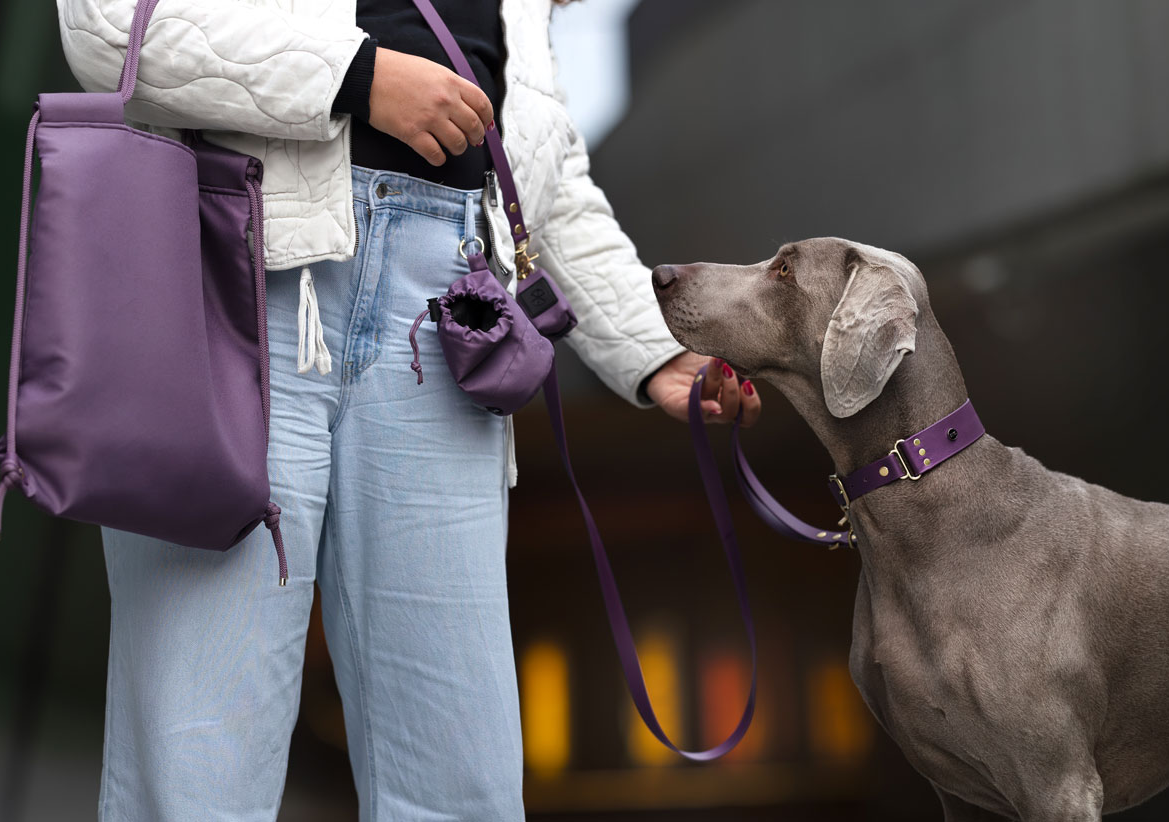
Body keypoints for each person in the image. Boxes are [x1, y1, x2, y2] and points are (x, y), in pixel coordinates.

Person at [57, 0, 762, 819]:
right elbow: (106, 25)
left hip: (447, 319)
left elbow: (546, 181)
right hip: (239, 287)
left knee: (460, 782)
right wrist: (357, 78)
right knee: (194, 768)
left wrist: (654, 348)